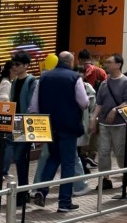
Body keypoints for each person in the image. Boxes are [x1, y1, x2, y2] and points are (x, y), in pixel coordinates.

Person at [29, 52, 89, 213]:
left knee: (53, 158)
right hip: (68, 126)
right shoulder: (74, 77)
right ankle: (64, 202)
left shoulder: (44, 77)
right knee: (68, 163)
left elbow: (34, 105)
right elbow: (84, 102)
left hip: (49, 125)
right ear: (70, 62)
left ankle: (41, 190)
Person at [0, 51, 37, 206]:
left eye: (18, 64)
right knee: (19, 159)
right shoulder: (14, 82)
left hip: (26, 122)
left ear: (26, 65)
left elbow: (33, 105)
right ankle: (22, 192)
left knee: (20, 157)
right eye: (13, 64)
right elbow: (11, 103)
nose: (15, 66)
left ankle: (23, 192)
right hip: (16, 122)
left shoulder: (32, 81)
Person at [88, 54, 127, 190]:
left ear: (118, 64)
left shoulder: (126, 82)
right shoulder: (104, 83)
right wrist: (93, 118)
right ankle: (105, 179)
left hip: (120, 124)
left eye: (109, 62)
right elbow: (99, 104)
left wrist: (115, 110)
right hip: (104, 124)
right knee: (103, 151)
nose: (106, 64)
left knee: (120, 152)